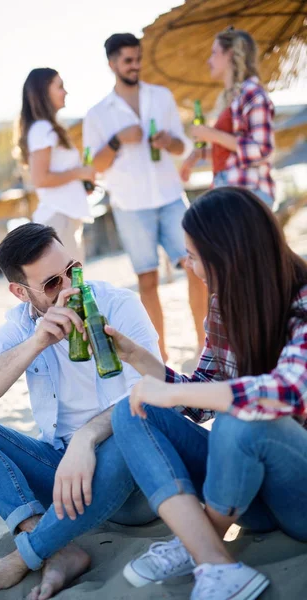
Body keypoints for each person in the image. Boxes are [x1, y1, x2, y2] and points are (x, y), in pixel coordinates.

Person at [0, 223, 161, 600]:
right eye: (51, 284)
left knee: (131, 427)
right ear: (20, 292)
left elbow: (154, 391)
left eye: (73, 270)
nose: (69, 288)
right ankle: (58, 547)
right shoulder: (21, 326)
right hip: (65, 477)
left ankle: (19, 560)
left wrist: (86, 439)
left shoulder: (117, 304)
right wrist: (37, 342)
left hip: (129, 473)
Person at [108, 187, 307, 599]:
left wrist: (178, 395)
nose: (187, 264)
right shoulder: (223, 307)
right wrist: (146, 364)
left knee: (242, 415)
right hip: (246, 495)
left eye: (193, 255)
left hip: (299, 493)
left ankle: (196, 545)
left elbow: (288, 391)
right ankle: (215, 561)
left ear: (228, 254)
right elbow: (202, 397)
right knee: (132, 411)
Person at [83, 33, 207, 363]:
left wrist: (170, 141)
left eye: (138, 58)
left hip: (169, 196)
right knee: (147, 279)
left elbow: (184, 147)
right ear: (112, 64)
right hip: (129, 205)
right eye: (127, 60)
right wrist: (117, 140)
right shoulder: (97, 115)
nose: (135, 65)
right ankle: (160, 356)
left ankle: (204, 345)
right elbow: (93, 166)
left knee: (197, 268)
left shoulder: (162, 97)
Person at [181, 27, 275, 207]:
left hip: (249, 194)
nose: (209, 61)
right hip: (231, 189)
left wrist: (211, 134)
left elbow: (262, 151)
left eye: (214, 53)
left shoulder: (252, 94)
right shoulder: (233, 98)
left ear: (230, 54)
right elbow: (232, 154)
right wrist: (198, 154)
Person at [16, 68, 95, 264]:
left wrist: (80, 183)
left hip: (64, 217)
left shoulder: (46, 128)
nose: (65, 92)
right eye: (60, 87)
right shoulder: (43, 129)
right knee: (71, 287)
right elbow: (41, 179)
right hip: (59, 218)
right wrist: (79, 172)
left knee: (72, 284)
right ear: (44, 92)